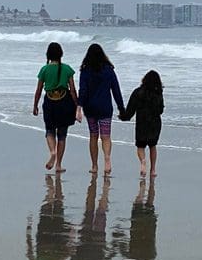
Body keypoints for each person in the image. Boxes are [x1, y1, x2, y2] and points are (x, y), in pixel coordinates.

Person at [33, 42, 81, 173]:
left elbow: (38, 90)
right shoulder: (67, 69)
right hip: (65, 103)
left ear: (48, 55)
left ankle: (52, 152)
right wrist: (77, 105)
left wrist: (35, 105)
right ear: (61, 54)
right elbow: (72, 90)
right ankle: (58, 164)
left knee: (49, 130)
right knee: (62, 135)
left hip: (49, 102)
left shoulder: (44, 69)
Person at [78, 43, 124, 175]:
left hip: (90, 108)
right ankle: (107, 160)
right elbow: (116, 90)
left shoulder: (85, 70)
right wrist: (121, 108)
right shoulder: (109, 70)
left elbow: (83, 90)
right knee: (106, 136)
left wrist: (79, 107)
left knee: (93, 136)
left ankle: (94, 166)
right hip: (105, 107)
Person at [118, 70, 164, 178]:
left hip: (142, 122)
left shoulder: (138, 92)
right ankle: (153, 170)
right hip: (155, 123)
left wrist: (123, 116)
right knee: (153, 146)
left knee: (141, 145)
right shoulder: (158, 93)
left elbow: (130, 110)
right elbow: (160, 110)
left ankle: (143, 162)